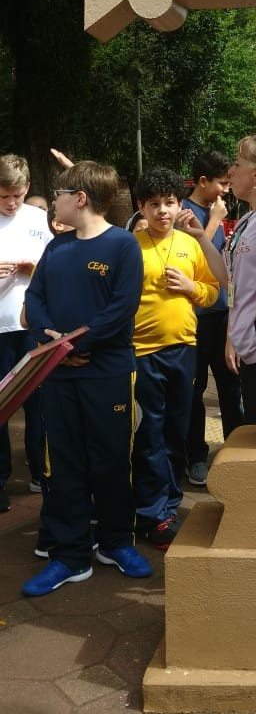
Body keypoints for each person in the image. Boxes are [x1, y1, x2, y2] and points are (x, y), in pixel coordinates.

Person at [22, 161, 151, 596]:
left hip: (107, 372)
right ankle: (70, 555)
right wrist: (52, 341)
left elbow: (122, 308)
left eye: (59, 194)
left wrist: (73, 344)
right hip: (58, 375)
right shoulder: (56, 248)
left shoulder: (123, 246)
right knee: (64, 464)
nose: (54, 201)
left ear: (79, 199)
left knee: (112, 459)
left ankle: (116, 542)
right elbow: (34, 298)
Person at [131, 168, 220, 549]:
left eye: (169, 203)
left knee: (175, 431)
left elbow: (213, 291)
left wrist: (191, 287)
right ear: (141, 207)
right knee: (148, 432)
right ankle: (152, 513)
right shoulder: (129, 246)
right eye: (154, 204)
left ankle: (167, 505)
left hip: (184, 349)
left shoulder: (190, 244)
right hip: (141, 353)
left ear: (179, 204)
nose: (162, 211)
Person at [182, 150, 242, 487]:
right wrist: (215, 221)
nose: (226, 191)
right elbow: (193, 260)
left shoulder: (222, 212)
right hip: (195, 317)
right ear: (203, 182)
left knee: (231, 386)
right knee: (195, 390)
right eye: (221, 184)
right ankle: (196, 456)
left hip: (222, 314)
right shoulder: (183, 213)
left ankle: (235, 451)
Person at [0, 154, 52, 512]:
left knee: (38, 401)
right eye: (4, 196)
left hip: (33, 324)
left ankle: (40, 470)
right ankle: (1, 477)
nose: (11, 203)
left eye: (17, 195)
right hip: (1, 327)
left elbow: (56, 263)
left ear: (28, 188)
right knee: (2, 402)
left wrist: (35, 269)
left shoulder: (38, 219)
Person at [224, 136, 256, 424]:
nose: (230, 172)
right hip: (246, 341)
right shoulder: (247, 220)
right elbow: (229, 279)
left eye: (237, 165)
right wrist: (201, 236)